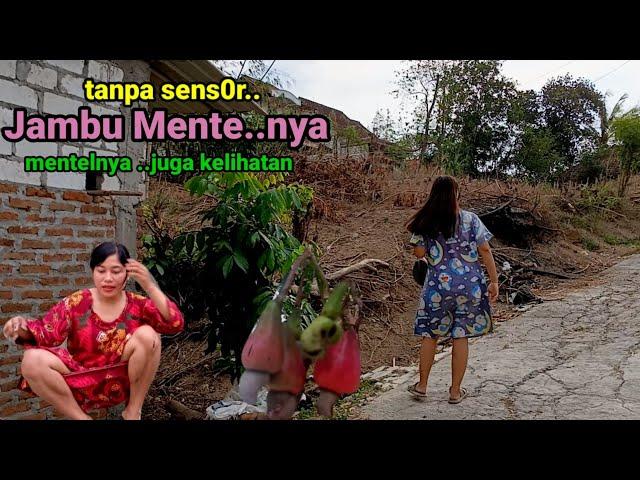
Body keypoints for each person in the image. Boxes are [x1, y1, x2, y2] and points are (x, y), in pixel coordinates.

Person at [2, 241, 184, 420]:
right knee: (31, 360)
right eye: (101, 270)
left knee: (149, 335)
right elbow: (46, 334)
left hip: (122, 379)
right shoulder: (77, 302)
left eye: (116, 271)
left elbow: (174, 323)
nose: (108, 278)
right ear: (93, 272)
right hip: (81, 379)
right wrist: (21, 329)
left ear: (127, 275)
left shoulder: (138, 304)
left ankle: (133, 412)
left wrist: (150, 286)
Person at [405, 176, 499, 403]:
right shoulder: (471, 220)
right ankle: (455, 391)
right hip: (469, 286)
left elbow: (418, 254)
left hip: (438, 286)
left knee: (430, 335)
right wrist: (494, 281)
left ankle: (422, 385)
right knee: (460, 336)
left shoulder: (428, 222)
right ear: (456, 194)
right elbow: (485, 250)